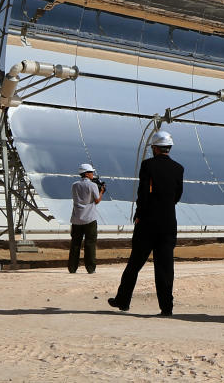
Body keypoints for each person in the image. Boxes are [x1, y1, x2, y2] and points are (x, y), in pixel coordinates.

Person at [109, 130, 183, 316]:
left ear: (155, 148)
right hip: (168, 223)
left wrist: (139, 213)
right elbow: (177, 195)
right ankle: (167, 308)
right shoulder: (178, 168)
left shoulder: (148, 165)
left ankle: (123, 301)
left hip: (148, 222)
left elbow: (143, 193)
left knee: (135, 263)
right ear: (169, 148)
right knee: (165, 268)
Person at [69, 163, 104, 274]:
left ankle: (72, 268)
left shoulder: (74, 185)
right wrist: (101, 191)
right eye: (91, 172)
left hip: (76, 218)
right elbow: (97, 200)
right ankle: (90, 268)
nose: (93, 174)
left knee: (75, 244)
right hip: (89, 218)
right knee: (90, 244)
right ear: (87, 173)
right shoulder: (92, 186)